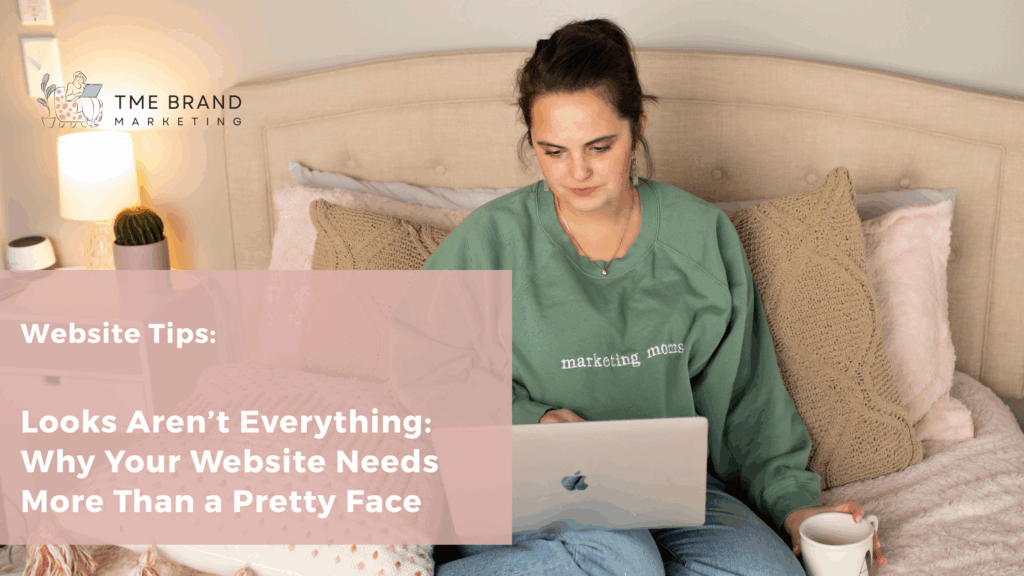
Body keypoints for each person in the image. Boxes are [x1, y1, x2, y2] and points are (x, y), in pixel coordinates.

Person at [421, 19, 887, 576]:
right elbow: (420, 373)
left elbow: (747, 401)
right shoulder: (490, 240)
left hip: (670, 492)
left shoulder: (701, 236)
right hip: (528, 486)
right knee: (623, 558)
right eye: (553, 150)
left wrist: (794, 507)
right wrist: (529, 418)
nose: (577, 171)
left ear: (638, 127)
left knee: (770, 573)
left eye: (600, 146)